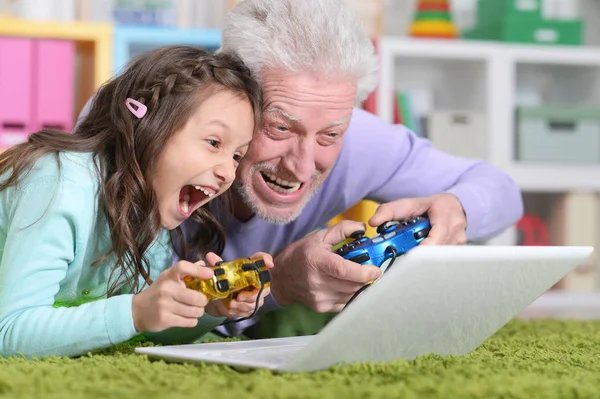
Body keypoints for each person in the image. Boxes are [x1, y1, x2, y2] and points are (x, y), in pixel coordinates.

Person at [78, 0, 524, 339]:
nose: (302, 164)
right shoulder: (145, 131)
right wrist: (278, 283)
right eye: (279, 127)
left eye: (330, 135)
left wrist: (456, 209)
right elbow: (112, 311)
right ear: (234, 95)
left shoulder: (362, 140)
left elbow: (501, 190)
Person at [0, 45, 272, 359]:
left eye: (237, 155)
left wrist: (208, 306)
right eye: (214, 143)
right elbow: (9, 332)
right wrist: (136, 310)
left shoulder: (150, 202)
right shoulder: (60, 184)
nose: (228, 172)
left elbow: (142, 325)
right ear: (148, 127)